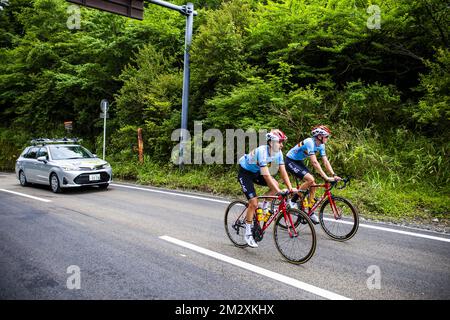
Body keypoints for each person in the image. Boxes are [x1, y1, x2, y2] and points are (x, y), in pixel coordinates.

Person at [237, 129, 296, 248]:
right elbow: (267, 176)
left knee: (275, 185)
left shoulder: (278, 153)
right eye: (280, 142)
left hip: (256, 172)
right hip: (245, 173)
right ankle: (248, 234)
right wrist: (280, 192)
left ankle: (265, 206)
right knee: (253, 203)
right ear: (271, 143)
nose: (282, 144)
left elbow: (283, 172)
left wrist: (290, 188)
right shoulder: (262, 152)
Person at [285, 125, 341, 224]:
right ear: (319, 136)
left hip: (299, 161)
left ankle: (310, 211)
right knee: (310, 179)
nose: (327, 138)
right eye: (326, 136)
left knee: (313, 184)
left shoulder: (321, 145)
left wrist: (333, 174)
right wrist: (325, 177)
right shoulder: (309, 142)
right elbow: (314, 162)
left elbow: (325, 161)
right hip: (290, 161)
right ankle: (292, 201)